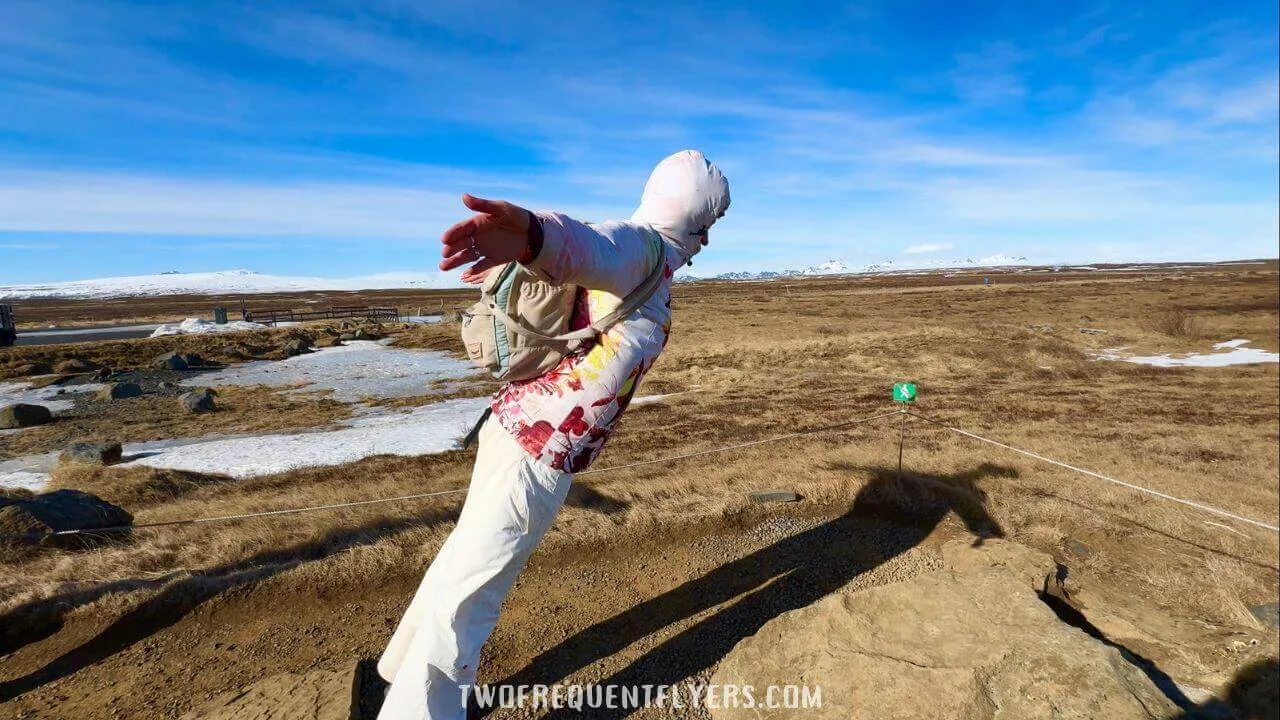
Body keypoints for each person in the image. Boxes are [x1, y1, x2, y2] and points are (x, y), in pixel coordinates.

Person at [376, 150, 731, 719]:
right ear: (685, 213)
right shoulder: (642, 250)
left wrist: (536, 240)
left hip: (518, 430)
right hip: (535, 454)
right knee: (473, 594)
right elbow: (595, 247)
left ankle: (396, 677)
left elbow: (595, 251)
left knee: (463, 565)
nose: (708, 240)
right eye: (706, 222)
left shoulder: (649, 259)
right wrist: (535, 237)